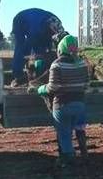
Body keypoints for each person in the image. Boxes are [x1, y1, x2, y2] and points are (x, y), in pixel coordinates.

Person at [36, 35, 89, 167]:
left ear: (60, 49)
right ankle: (84, 154)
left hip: (63, 105)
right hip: (80, 105)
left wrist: (41, 89)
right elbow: (86, 85)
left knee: (64, 134)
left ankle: (67, 161)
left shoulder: (57, 64)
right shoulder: (82, 63)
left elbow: (53, 87)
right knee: (79, 129)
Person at [11, 8, 68, 86]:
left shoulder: (59, 28)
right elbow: (28, 45)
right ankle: (18, 76)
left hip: (40, 24)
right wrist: (29, 58)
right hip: (20, 21)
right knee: (21, 48)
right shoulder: (36, 30)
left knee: (45, 52)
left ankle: (40, 76)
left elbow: (59, 48)